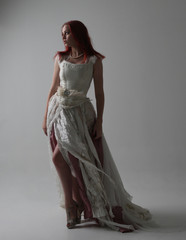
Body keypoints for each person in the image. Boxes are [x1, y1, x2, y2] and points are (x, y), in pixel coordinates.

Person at [42, 20, 157, 233]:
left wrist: (100, 121)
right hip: (59, 113)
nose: (63, 37)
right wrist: (44, 117)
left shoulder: (94, 60)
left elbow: (99, 93)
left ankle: (77, 204)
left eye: (67, 32)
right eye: (62, 33)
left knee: (78, 159)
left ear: (78, 33)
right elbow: (53, 88)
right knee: (61, 158)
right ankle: (72, 205)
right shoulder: (61, 58)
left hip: (82, 114)